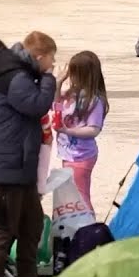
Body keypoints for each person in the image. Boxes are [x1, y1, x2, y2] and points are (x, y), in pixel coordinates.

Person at [0, 31, 58, 277]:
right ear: (39, 57)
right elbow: (36, 105)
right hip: (6, 163)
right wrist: (49, 80)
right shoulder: (17, 77)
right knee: (3, 225)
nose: (53, 65)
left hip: (18, 162)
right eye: (51, 60)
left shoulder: (17, 74)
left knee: (31, 223)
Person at [53, 51, 108, 216]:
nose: (71, 78)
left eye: (75, 74)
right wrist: (58, 82)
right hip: (68, 154)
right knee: (72, 196)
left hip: (81, 155)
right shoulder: (72, 94)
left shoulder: (94, 100)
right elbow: (55, 105)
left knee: (80, 196)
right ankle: (76, 227)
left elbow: (94, 129)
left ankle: (89, 229)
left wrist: (68, 131)